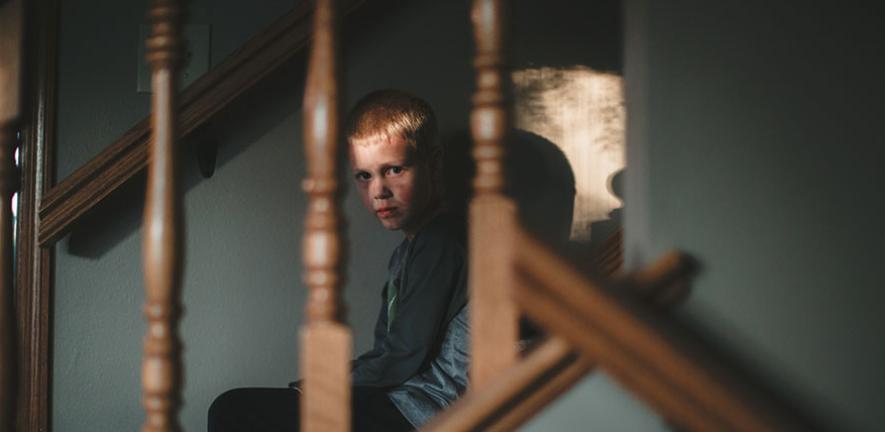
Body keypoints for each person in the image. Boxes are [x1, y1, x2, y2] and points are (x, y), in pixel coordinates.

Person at [208, 89, 469, 431]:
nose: (378, 190)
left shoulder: (441, 240)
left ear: (432, 165)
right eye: (365, 176)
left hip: (425, 410)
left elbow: (403, 356)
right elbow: (388, 351)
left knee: (234, 409)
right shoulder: (406, 254)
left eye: (393, 170)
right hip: (400, 399)